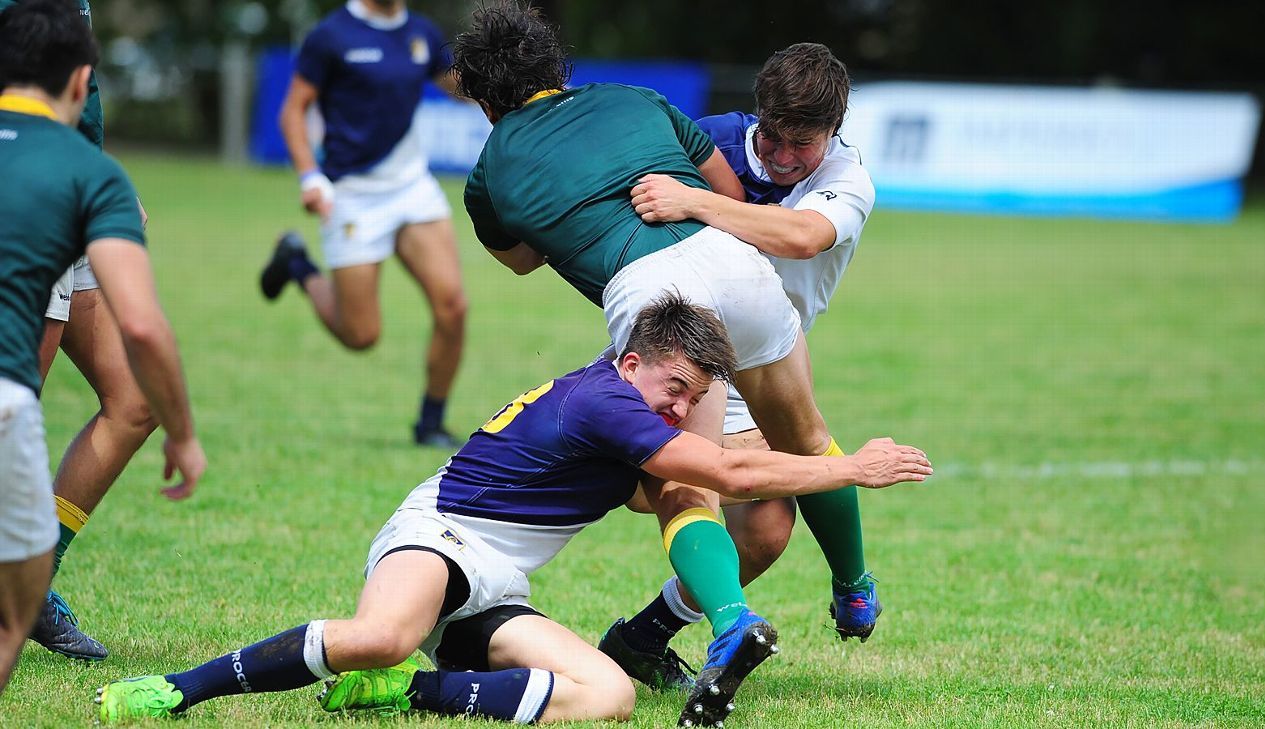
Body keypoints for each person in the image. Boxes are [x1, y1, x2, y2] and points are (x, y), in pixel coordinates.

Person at [94, 292, 930, 725]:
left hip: (494, 584)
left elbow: (683, 484)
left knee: (606, 696)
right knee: (381, 634)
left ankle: (401, 698)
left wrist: (764, 466)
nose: (680, 408)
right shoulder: (607, 402)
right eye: (675, 389)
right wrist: (845, 464)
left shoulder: (623, 408)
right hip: (439, 537)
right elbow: (722, 475)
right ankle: (173, 690)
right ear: (632, 359)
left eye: (694, 397)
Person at [452, 5, 919, 724]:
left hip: (657, 297)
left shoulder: (488, 175)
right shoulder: (638, 100)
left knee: (679, 483)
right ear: (557, 68)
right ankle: (848, 584)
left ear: (484, 101)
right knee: (803, 442)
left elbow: (520, 257)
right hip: (738, 270)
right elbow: (729, 198)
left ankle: (731, 621)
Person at [600, 43, 883, 690]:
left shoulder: (847, 175)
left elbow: (802, 236)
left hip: (771, 352)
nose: (785, 159)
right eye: (775, 139)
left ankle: (643, 636)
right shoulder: (708, 144)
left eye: (802, 145)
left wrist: (697, 203)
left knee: (765, 532)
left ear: (833, 130)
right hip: (691, 349)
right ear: (758, 116)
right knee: (680, 490)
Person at [0, 0, 206, 695]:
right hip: (37, 194)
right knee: (11, 403)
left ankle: (33, 582)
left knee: (133, 399)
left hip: (75, 178)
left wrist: (99, 181)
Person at [258, 0, 468, 448]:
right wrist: (310, 176)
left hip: (412, 187)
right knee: (361, 335)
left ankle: (430, 422)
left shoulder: (422, 33)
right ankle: (296, 262)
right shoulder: (332, 35)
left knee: (453, 307)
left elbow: (456, 85)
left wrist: (520, 87)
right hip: (352, 194)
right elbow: (293, 111)